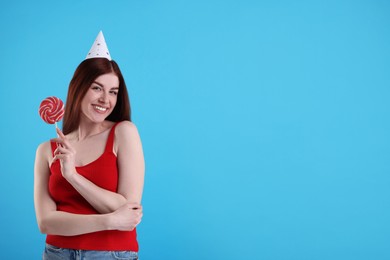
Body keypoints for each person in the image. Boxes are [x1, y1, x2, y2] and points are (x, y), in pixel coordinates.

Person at [34, 31, 144, 260]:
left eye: (113, 91)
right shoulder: (47, 150)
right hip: (56, 254)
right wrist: (108, 220)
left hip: (112, 255)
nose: (106, 99)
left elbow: (128, 210)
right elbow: (46, 222)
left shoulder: (123, 133)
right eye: (97, 88)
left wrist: (73, 176)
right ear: (79, 88)